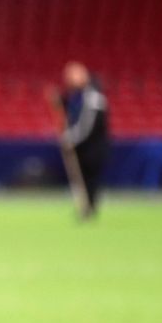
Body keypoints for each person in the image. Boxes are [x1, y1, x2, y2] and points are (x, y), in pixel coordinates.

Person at [59, 61, 110, 217]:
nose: (68, 80)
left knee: (90, 178)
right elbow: (71, 113)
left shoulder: (94, 97)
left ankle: (90, 208)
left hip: (93, 147)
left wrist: (71, 137)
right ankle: (85, 207)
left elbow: (87, 125)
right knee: (82, 179)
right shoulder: (77, 96)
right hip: (83, 146)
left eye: (72, 75)